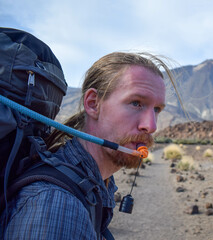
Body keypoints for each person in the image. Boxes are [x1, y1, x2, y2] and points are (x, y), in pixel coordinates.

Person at [1, 52, 176, 239]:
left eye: (157, 109)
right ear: (93, 104)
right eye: (136, 103)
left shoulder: (95, 183)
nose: (151, 126)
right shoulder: (56, 205)